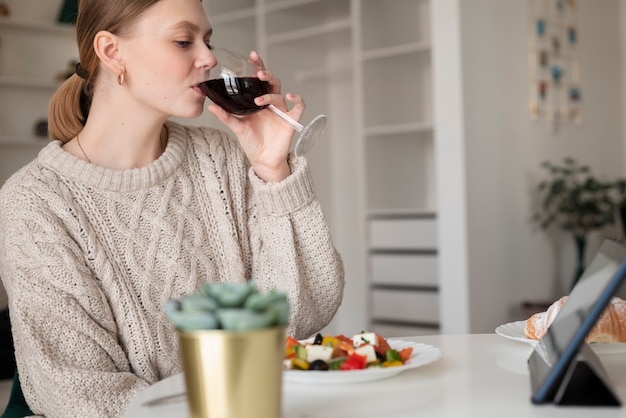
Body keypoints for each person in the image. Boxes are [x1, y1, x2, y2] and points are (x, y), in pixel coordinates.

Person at [0, 0, 345, 416]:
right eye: (184, 41)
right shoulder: (36, 202)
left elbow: (304, 315)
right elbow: (82, 394)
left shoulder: (223, 159)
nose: (209, 57)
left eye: (208, 40)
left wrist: (275, 172)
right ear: (112, 52)